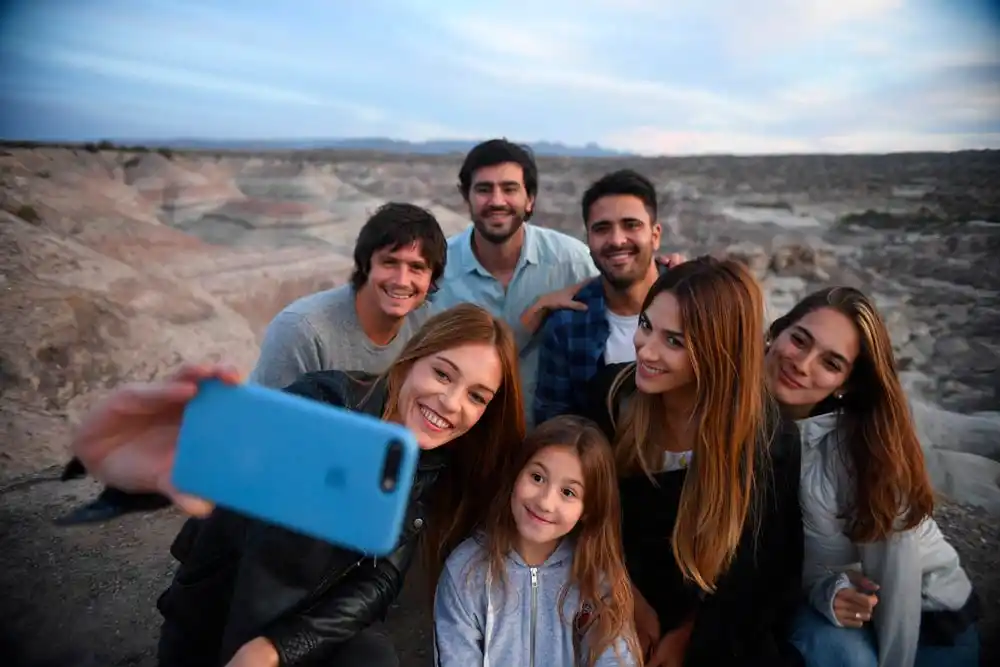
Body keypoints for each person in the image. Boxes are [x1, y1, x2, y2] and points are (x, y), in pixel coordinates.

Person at [68, 303, 525, 667]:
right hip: (225, 601)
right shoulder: (327, 402)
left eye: (476, 396)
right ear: (411, 360)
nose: (451, 403)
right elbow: (241, 468)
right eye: (443, 373)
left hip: (306, 621)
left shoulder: (434, 460)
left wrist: (280, 647)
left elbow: (381, 577)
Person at [54, 201, 448, 526]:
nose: (402, 279)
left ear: (431, 280)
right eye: (390, 262)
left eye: (417, 268)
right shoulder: (304, 329)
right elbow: (271, 432)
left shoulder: (425, 325)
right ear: (365, 265)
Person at [581, 257, 805, 667]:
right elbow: (582, 518)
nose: (645, 349)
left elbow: (762, 568)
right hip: (607, 587)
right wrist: (625, 598)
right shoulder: (612, 398)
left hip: (712, 617)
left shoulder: (769, 441)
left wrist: (688, 635)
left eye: (674, 341)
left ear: (719, 352)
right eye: (646, 325)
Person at [765, 287, 981, 667]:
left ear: (845, 384)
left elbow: (897, 586)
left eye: (830, 363)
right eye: (799, 340)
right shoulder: (739, 413)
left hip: (928, 619)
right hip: (833, 606)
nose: (802, 364)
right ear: (776, 332)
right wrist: (826, 591)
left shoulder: (862, 454)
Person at [429, 139, 684, 425]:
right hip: (455, 432)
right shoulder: (435, 270)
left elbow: (624, 269)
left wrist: (688, 278)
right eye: (484, 189)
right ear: (466, 197)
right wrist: (534, 313)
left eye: (510, 189)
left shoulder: (573, 261)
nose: (497, 201)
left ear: (530, 199)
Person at [433, 415, 641, 667]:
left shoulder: (597, 578)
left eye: (568, 492)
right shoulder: (465, 571)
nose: (545, 502)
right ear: (516, 475)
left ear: (588, 510)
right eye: (537, 477)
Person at [533, 169, 664, 425]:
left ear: (655, 235)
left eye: (631, 225)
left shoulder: (697, 305)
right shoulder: (567, 326)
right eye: (602, 229)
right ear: (588, 240)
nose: (617, 240)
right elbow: (554, 424)